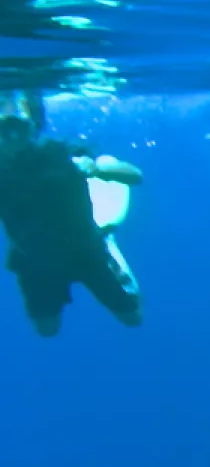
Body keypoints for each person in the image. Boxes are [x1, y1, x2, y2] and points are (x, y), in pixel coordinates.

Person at [0, 93, 142, 336]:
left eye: (19, 128)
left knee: (131, 317)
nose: (12, 138)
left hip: (86, 251)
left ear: (34, 127)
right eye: (4, 129)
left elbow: (135, 176)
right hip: (35, 260)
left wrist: (97, 168)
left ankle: (108, 241)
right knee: (47, 329)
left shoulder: (62, 155)